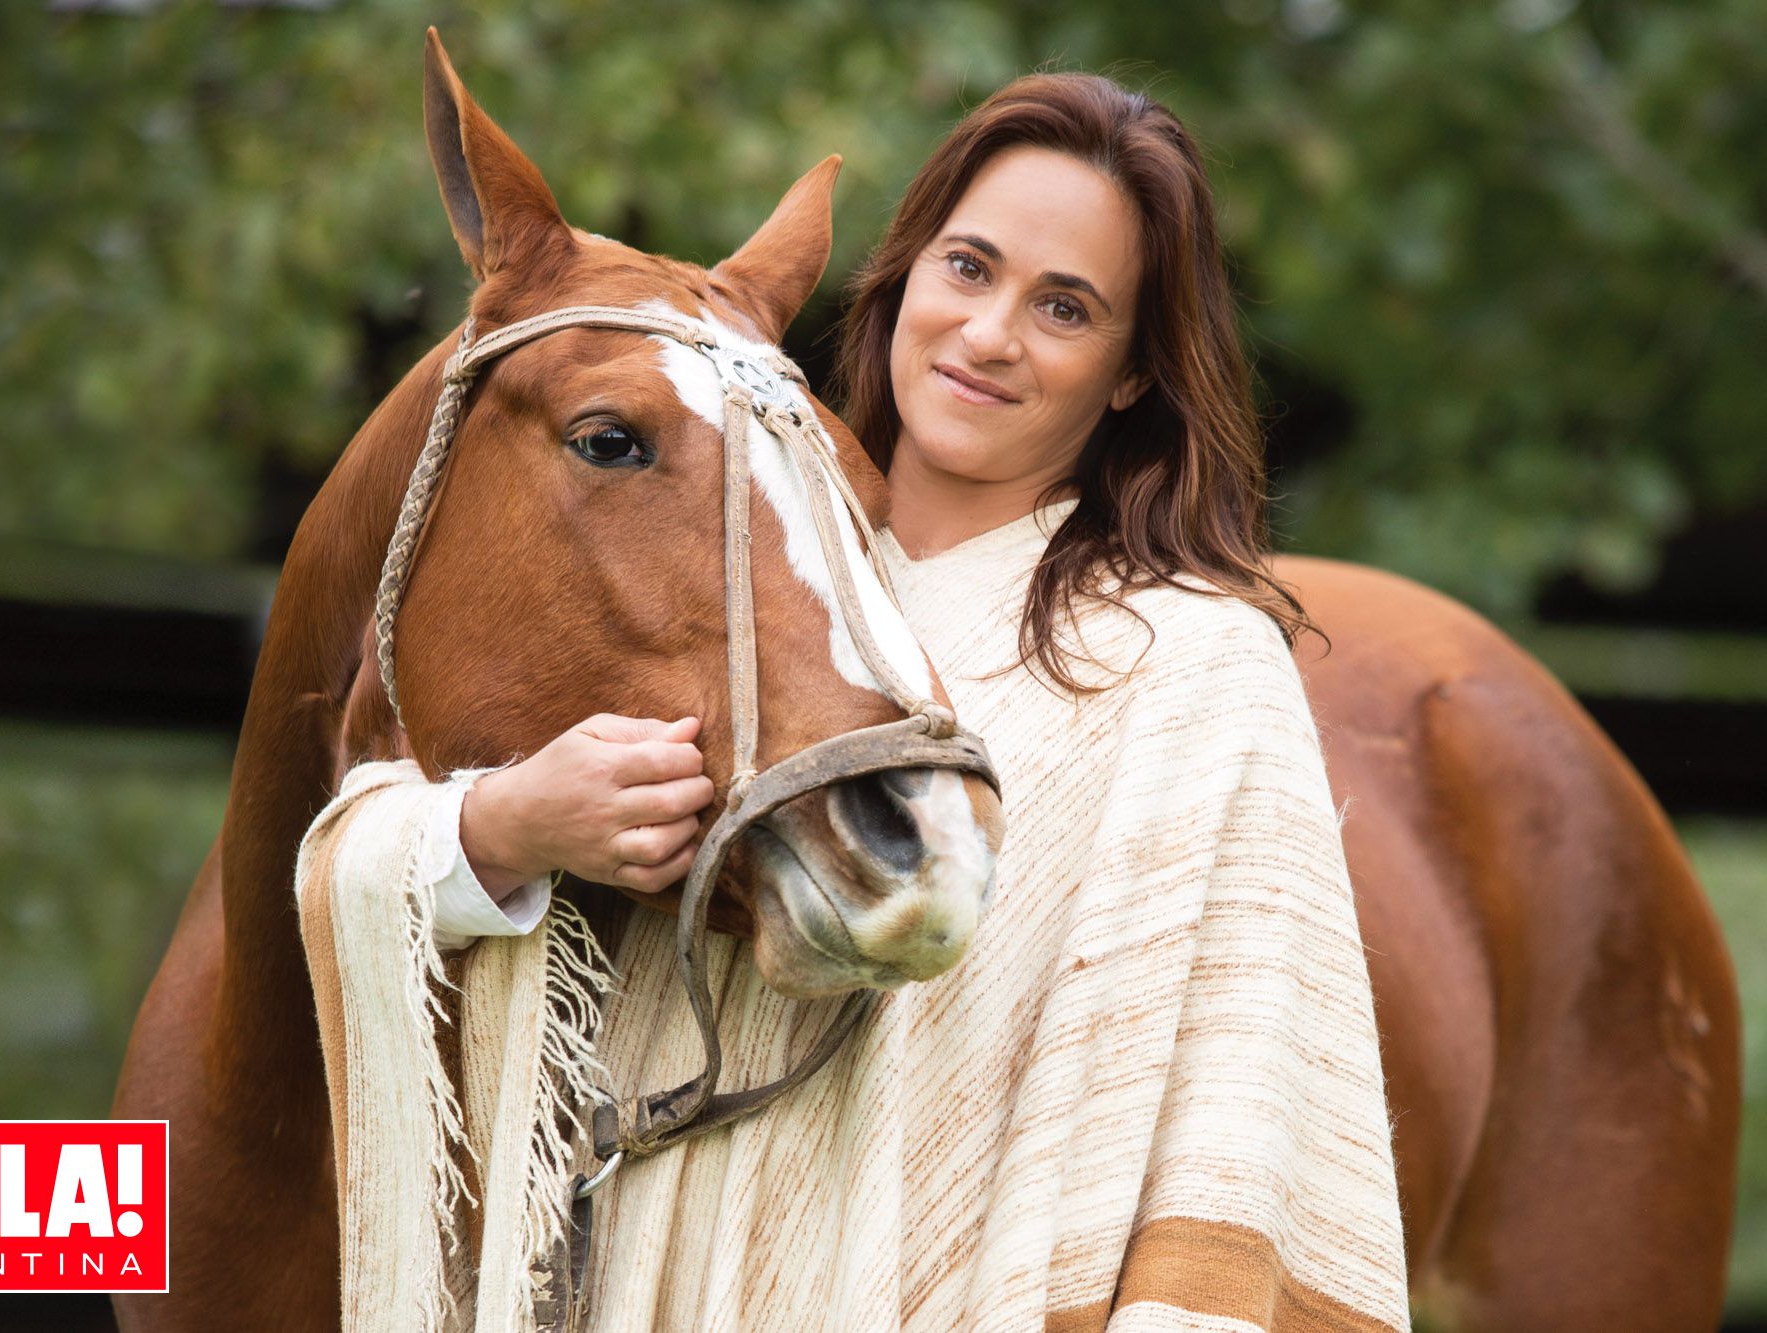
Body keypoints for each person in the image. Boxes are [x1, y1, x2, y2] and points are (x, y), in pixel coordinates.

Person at [344, 70, 1409, 1332]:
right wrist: (505, 826)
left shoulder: (1192, 663)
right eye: (968, 267)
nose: (989, 333)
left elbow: (1235, 1107)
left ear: (1130, 372)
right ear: (900, 279)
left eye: (1063, 307)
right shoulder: (725, 569)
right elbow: (343, 860)